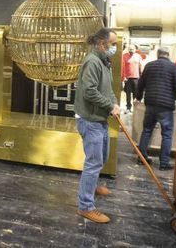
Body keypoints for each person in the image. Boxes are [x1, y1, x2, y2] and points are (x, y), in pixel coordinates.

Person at [74, 28, 120, 224]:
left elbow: (107, 89)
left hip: (99, 118)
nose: (115, 48)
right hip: (90, 119)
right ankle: (86, 206)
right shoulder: (92, 61)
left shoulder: (103, 61)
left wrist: (115, 104)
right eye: (114, 44)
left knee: (101, 157)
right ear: (102, 44)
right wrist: (110, 106)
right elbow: (89, 92)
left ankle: (91, 186)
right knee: (93, 162)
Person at [135, 48, 176, 170]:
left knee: (147, 130)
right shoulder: (173, 67)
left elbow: (141, 83)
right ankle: (164, 163)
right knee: (166, 134)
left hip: (150, 103)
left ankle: (142, 157)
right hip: (165, 106)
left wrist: (138, 97)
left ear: (158, 55)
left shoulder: (149, 66)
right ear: (168, 55)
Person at [122, 44, 143, 112]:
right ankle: (128, 107)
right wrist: (124, 77)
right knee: (128, 94)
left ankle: (135, 108)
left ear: (135, 49)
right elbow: (123, 67)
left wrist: (142, 76)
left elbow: (141, 66)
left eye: (132, 49)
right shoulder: (124, 56)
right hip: (127, 78)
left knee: (135, 94)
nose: (131, 51)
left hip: (136, 78)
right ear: (128, 49)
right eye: (130, 49)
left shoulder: (138, 56)